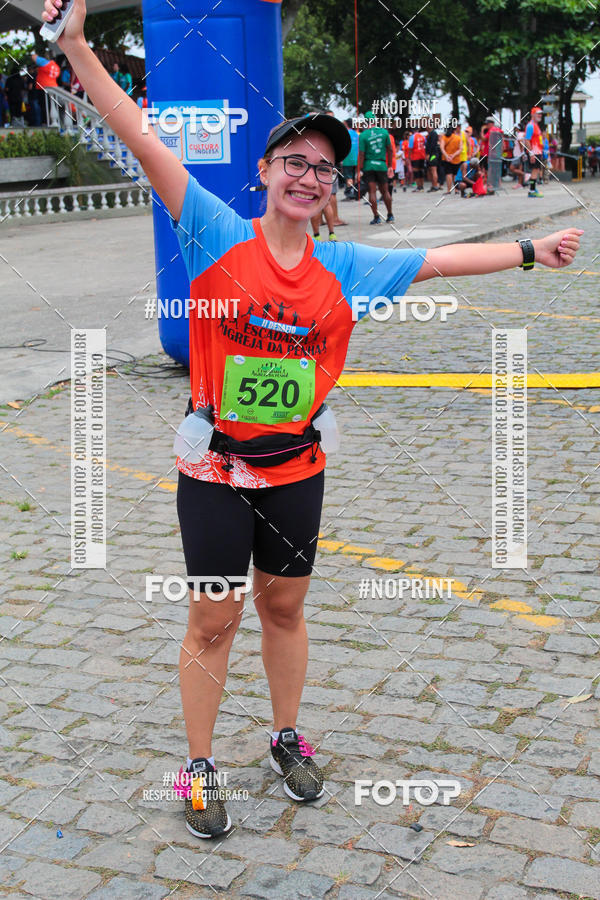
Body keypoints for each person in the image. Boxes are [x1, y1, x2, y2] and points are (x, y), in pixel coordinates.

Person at [42, 0, 584, 841]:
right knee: (213, 617)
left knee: (286, 610)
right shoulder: (214, 233)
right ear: (265, 172)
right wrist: (74, 45)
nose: (308, 176)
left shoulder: (346, 265)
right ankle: (198, 766)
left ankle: (286, 737)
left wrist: (528, 249)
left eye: (324, 169)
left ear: (333, 189)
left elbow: (437, 260)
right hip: (216, 467)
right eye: (294, 160)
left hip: (297, 468)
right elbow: (142, 136)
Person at [357, 110, 394, 223]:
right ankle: (390, 215)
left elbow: (361, 154)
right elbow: (390, 149)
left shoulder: (363, 135)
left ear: (366, 121)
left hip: (369, 166)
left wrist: (359, 170)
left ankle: (376, 217)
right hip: (381, 165)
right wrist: (390, 166)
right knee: (385, 191)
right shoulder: (384, 132)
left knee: (372, 192)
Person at [523, 106, 544, 198]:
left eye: (540, 114)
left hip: (538, 151)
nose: (539, 115)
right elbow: (527, 140)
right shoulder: (530, 126)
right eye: (537, 114)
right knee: (534, 171)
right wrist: (531, 153)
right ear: (532, 114)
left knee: (536, 170)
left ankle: (533, 188)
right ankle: (532, 190)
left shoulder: (535, 125)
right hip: (534, 152)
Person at [440, 124, 462, 193]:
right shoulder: (458, 138)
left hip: (447, 159)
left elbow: (441, 148)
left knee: (448, 174)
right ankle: (456, 189)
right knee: (455, 174)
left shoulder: (444, 137)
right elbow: (460, 149)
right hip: (456, 159)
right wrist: (453, 155)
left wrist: (447, 156)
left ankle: (448, 190)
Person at [341, 117, 358, 199]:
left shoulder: (345, 133)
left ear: (346, 124)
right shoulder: (356, 134)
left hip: (347, 159)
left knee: (348, 177)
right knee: (353, 176)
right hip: (356, 159)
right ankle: (354, 192)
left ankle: (349, 193)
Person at [408, 127, 426, 192]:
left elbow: (410, 148)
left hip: (415, 156)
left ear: (413, 130)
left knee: (416, 172)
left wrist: (409, 157)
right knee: (421, 171)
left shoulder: (412, 137)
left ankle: (419, 187)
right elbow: (424, 145)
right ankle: (422, 186)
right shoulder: (423, 137)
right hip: (422, 156)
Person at [424, 122, 441, 191]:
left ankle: (435, 185)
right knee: (431, 170)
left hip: (433, 155)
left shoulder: (433, 134)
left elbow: (432, 145)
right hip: (432, 154)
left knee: (433, 170)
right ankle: (434, 185)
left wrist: (428, 154)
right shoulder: (431, 134)